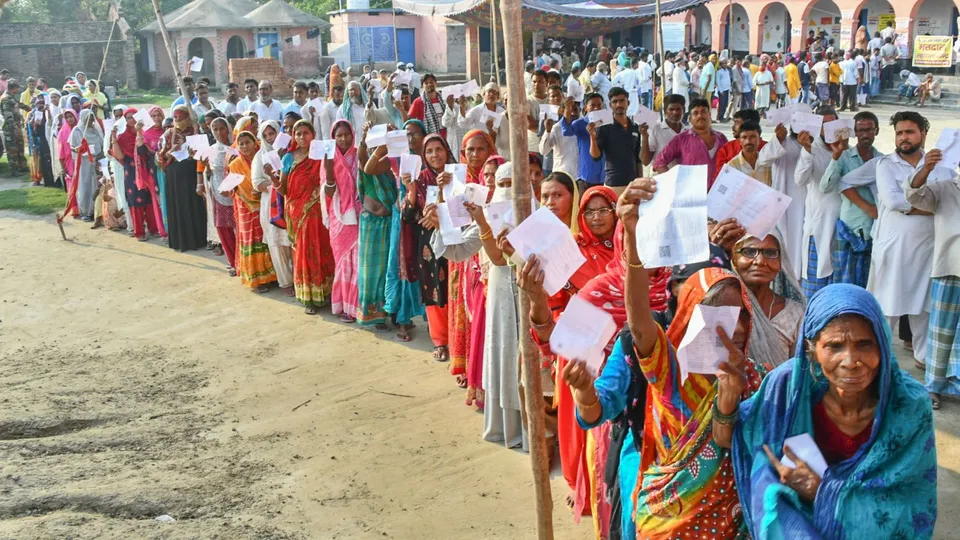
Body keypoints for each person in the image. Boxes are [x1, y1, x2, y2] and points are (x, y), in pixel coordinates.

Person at [567, 178, 764, 538]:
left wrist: (730, 399)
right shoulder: (668, 366)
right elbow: (639, 319)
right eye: (713, 314)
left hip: (726, 521)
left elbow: (742, 445)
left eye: (737, 316)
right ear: (688, 311)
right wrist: (634, 237)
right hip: (665, 518)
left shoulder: (754, 376)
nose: (728, 329)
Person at [722, 284, 937, 538]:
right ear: (811, 350)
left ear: (883, 346)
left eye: (865, 344)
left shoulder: (908, 404)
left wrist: (821, 491)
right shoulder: (786, 389)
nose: (850, 361)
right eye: (834, 346)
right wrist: (728, 396)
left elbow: (907, 505)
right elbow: (735, 441)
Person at [903, 118, 960, 409]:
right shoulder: (945, 187)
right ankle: (935, 386)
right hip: (948, 269)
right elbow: (914, 195)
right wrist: (925, 167)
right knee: (942, 331)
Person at [402, 133, 455, 361]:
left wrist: (447, 189)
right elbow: (407, 216)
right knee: (434, 291)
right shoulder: (420, 179)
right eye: (429, 151)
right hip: (429, 246)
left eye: (439, 149)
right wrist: (412, 190)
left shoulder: (458, 175)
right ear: (423, 156)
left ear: (446, 151)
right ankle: (440, 340)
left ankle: (459, 338)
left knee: (455, 290)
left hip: (455, 241)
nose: (435, 155)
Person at [278, 120, 335, 314]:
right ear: (293, 136)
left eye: (306, 133)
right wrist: (273, 178)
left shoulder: (321, 155)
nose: (302, 137)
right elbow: (284, 188)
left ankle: (326, 292)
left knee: (322, 248)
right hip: (297, 211)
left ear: (313, 134)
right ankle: (309, 296)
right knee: (303, 251)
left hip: (319, 210)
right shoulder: (288, 158)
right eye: (298, 134)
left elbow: (329, 180)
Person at [819, 111, 881, 288]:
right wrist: (836, 155)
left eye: (869, 130)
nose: (865, 135)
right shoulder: (844, 157)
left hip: (874, 230)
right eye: (860, 130)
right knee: (845, 286)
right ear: (854, 132)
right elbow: (825, 187)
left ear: (876, 131)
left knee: (870, 285)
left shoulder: (882, 160)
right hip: (849, 229)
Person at [731, 230, 806, 370]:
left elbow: (797, 370)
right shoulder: (724, 308)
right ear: (734, 260)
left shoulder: (795, 313)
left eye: (770, 253)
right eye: (749, 251)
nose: (760, 261)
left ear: (780, 263)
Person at [796, 105, 842, 299]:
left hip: (842, 227)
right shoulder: (811, 149)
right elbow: (800, 180)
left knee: (839, 284)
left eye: (833, 123)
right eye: (824, 125)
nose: (829, 129)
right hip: (819, 225)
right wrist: (806, 151)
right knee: (815, 287)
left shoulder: (847, 149)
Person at [320, 119, 362, 321]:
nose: (344, 138)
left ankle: (357, 307)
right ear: (333, 138)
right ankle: (344, 305)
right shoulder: (329, 158)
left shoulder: (358, 156)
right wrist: (329, 167)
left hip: (360, 214)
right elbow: (328, 192)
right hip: (339, 217)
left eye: (347, 134)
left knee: (358, 261)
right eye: (339, 135)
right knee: (344, 262)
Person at [251, 120, 293, 295]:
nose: (270, 137)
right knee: (277, 245)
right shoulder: (260, 156)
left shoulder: (290, 152)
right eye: (266, 134)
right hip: (271, 204)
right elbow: (257, 183)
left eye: (272, 133)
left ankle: (299, 278)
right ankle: (286, 282)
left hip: (290, 200)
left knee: (291, 241)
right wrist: (275, 181)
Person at [160, 105, 207, 252]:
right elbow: (159, 157)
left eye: (181, 117)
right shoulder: (168, 134)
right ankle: (181, 241)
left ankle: (199, 239)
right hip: (175, 177)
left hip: (192, 174)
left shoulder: (195, 132)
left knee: (194, 204)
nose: (178, 120)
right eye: (175, 117)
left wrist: (195, 155)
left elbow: (203, 154)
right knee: (178, 206)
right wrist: (169, 153)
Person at [111, 107, 161, 241]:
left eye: (134, 117)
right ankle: (139, 232)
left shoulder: (146, 133)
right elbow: (120, 155)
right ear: (125, 120)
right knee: (136, 200)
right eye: (128, 118)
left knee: (150, 199)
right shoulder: (123, 137)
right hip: (132, 172)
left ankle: (154, 228)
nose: (131, 120)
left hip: (147, 168)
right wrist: (114, 139)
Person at [653, 98, 728, 185]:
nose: (700, 116)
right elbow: (659, 162)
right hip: (692, 194)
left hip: (718, 192)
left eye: (703, 111)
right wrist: (673, 183)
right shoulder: (681, 139)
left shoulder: (721, 138)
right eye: (695, 113)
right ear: (690, 119)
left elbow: (731, 164)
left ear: (710, 115)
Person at [197, 118, 238, 273]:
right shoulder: (211, 149)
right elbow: (208, 172)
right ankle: (233, 261)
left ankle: (243, 261)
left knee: (239, 228)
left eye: (222, 128)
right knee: (224, 228)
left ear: (228, 129)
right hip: (218, 191)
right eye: (215, 129)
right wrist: (206, 167)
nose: (219, 132)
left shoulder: (236, 147)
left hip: (237, 193)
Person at [589, 87, 641, 194]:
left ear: (628, 102)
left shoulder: (635, 127)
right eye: (615, 102)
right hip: (613, 184)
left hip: (633, 184)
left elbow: (637, 159)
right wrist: (592, 138)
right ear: (610, 105)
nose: (618, 105)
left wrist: (639, 180)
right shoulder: (604, 127)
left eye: (622, 101)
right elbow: (596, 156)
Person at [561, 92, 605, 194]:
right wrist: (567, 110)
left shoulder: (607, 123)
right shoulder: (580, 124)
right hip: (587, 174)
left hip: (606, 174)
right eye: (592, 105)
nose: (596, 108)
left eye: (599, 105)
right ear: (585, 107)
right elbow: (566, 131)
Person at [70, 109, 105, 222]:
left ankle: (97, 211)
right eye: (88, 118)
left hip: (97, 162)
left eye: (92, 118)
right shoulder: (78, 131)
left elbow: (102, 144)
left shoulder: (96, 130)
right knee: (85, 186)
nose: (91, 121)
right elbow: (72, 146)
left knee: (97, 186)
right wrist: (77, 148)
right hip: (84, 163)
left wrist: (100, 155)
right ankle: (86, 211)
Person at [640, 93, 685, 170]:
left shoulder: (688, 132)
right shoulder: (655, 130)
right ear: (664, 111)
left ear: (683, 110)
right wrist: (645, 137)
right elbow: (645, 161)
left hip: (682, 178)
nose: (675, 112)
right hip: (660, 178)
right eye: (671, 109)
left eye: (678, 109)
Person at [724, 120, 772, 185]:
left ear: (760, 140)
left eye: (753, 137)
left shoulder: (768, 164)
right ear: (739, 141)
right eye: (744, 137)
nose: (748, 141)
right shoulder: (732, 166)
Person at [1, 80, 30, 175]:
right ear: (13, 88)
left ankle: (22, 166)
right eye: (17, 88)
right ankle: (15, 169)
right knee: (12, 149)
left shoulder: (11, 97)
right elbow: (8, 115)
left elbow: (19, 105)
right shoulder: (5, 99)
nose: (18, 90)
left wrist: (29, 108)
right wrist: (14, 127)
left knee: (20, 146)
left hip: (16, 127)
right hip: (11, 128)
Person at [26, 94, 56, 187]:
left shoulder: (47, 112)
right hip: (36, 140)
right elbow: (30, 127)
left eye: (42, 103)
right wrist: (34, 123)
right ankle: (38, 179)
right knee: (37, 160)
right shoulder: (33, 113)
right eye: (38, 103)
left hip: (46, 139)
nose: (40, 105)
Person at [407, 73, 446, 137]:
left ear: (436, 83)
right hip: (427, 137)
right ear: (422, 86)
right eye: (426, 83)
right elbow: (410, 120)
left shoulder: (444, 99)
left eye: (431, 82)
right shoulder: (418, 102)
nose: (429, 84)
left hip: (446, 136)